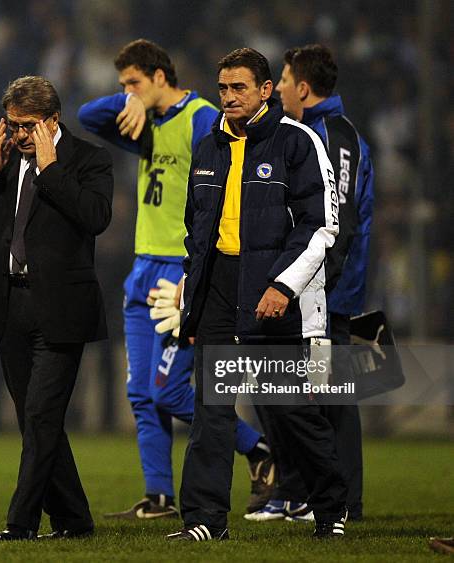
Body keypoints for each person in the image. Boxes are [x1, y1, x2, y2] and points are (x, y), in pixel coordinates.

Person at [78, 39, 274, 519]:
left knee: (169, 390)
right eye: (122, 84)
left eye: (133, 82)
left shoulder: (202, 117)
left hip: (179, 271)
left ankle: (259, 449)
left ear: (160, 77)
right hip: (143, 267)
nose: (126, 92)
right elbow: (87, 115)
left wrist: (198, 270)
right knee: (141, 394)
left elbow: (231, 176)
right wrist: (128, 100)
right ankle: (160, 495)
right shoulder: (143, 122)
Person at [166, 47, 348, 542]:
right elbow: (194, 230)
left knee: (291, 411)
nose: (228, 97)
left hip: (274, 292)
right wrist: (193, 288)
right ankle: (204, 521)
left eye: (238, 87)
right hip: (220, 292)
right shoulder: (209, 147)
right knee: (212, 412)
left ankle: (333, 509)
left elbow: (322, 227)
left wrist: (282, 285)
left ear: (266, 90)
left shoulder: (297, 142)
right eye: (222, 88)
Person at [0, 76, 113, 540]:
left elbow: (96, 217)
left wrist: (50, 170)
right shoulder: (3, 162)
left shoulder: (88, 159)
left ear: (53, 119)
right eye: (12, 124)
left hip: (61, 309)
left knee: (42, 418)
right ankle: (74, 521)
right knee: (37, 422)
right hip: (9, 308)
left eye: (28, 126)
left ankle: (20, 523)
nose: (20, 134)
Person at [246, 43, 373, 523]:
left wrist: (315, 286)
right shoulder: (308, 132)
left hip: (330, 295)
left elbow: (335, 224)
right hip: (311, 290)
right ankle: (299, 493)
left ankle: (343, 504)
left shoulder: (335, 136)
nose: (277, 89)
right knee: (293, 394)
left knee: (332, 400)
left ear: (302, 87)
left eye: (281, 81)